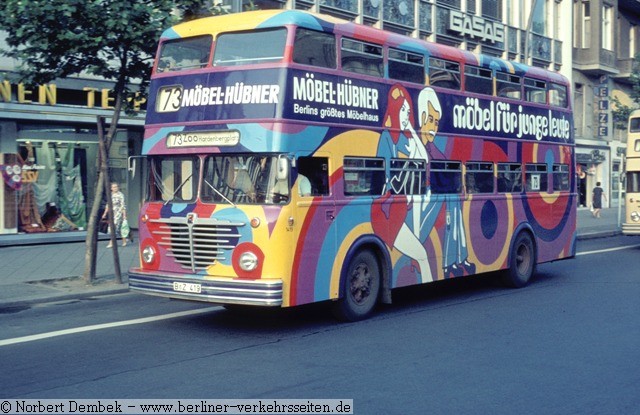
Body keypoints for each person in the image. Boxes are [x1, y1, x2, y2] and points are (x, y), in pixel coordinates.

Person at [102, 182, 128, 247]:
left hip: (118, 213)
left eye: (116, 187)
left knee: (114, 227)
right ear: (111, 188)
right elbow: (108, 204)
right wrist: (105, 213)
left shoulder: (120, 195)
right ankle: (124, 240)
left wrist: (124, 215)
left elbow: (123, 205)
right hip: (112, 213)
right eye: (113, 187)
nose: (115, 188)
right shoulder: (110, 195)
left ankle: (111, 242)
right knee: (119, 228)